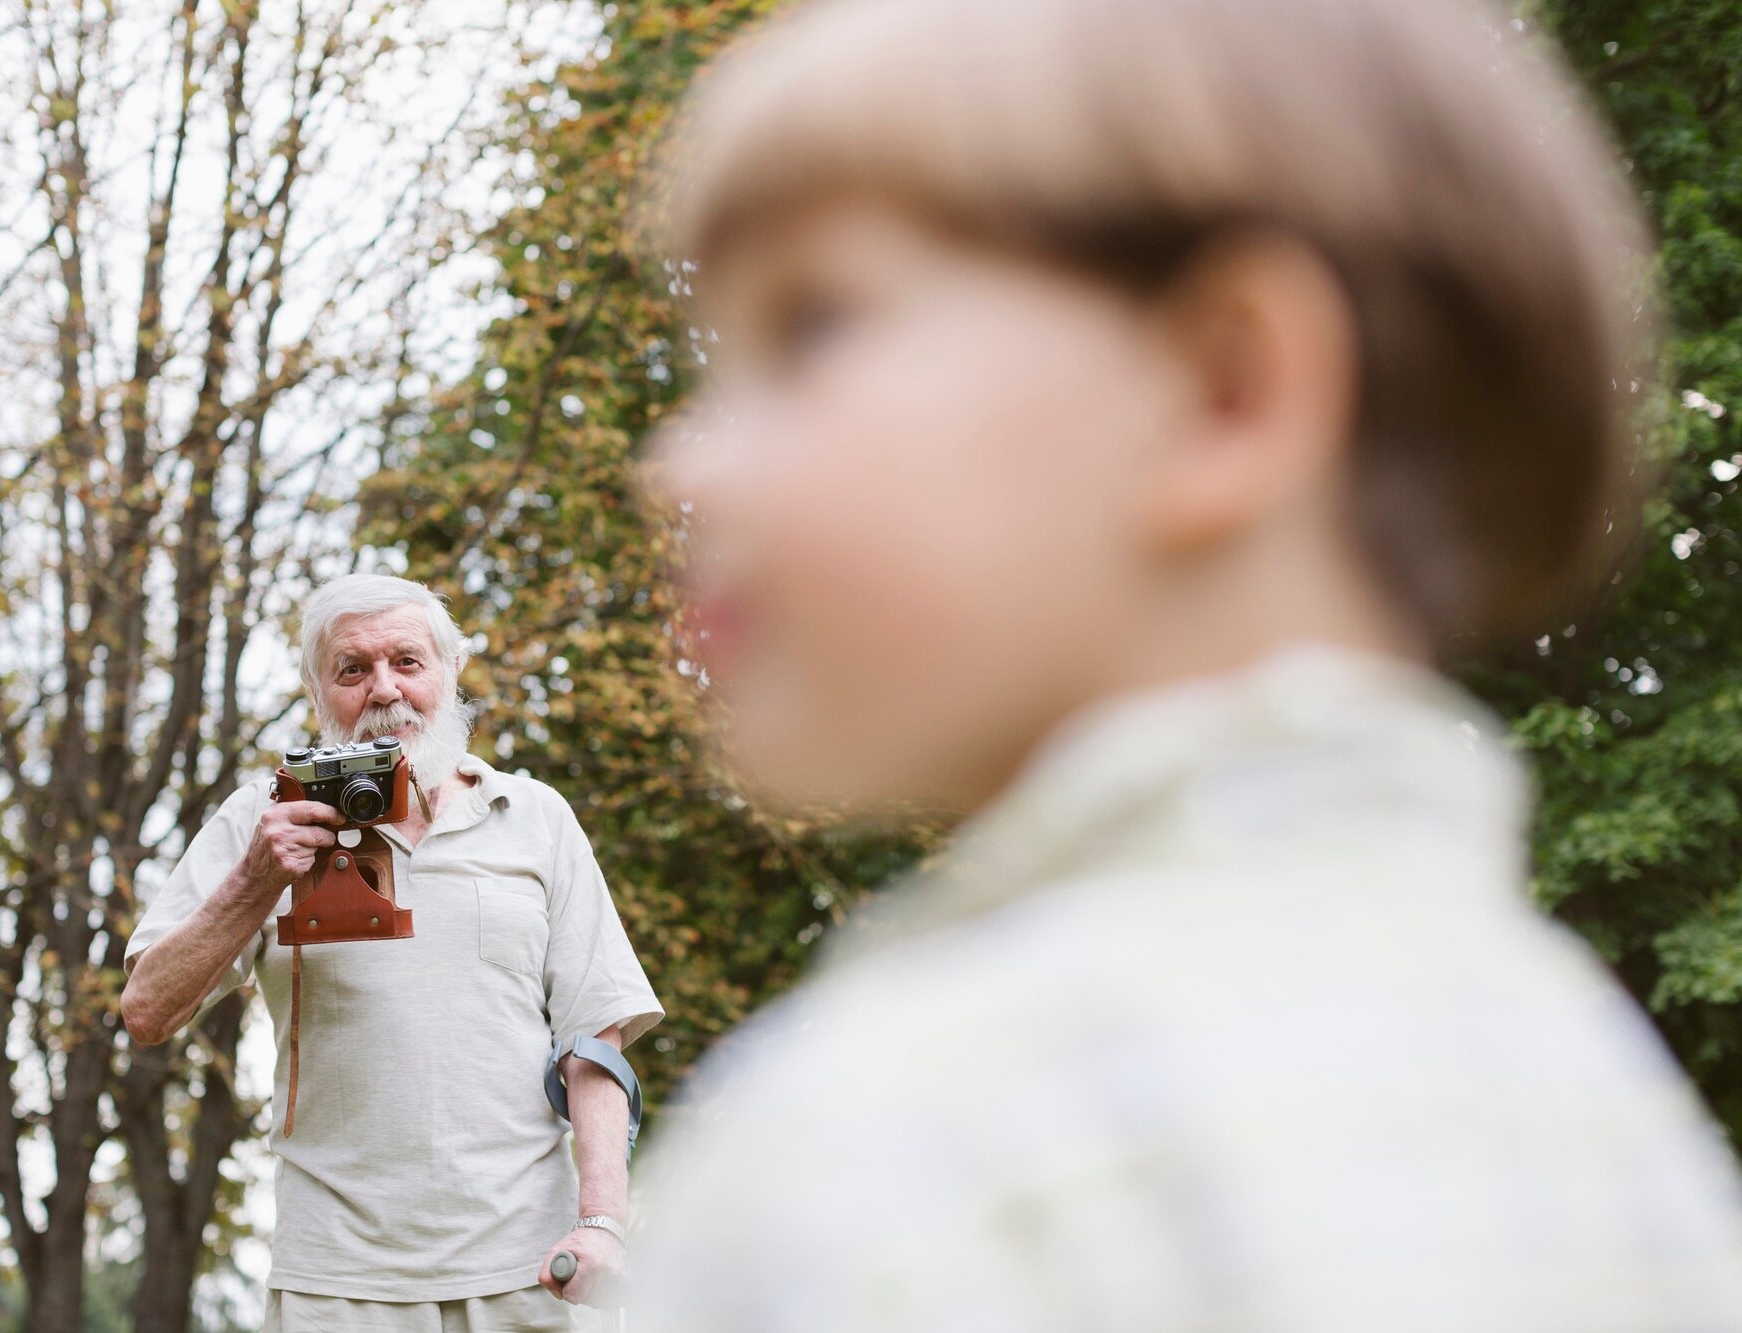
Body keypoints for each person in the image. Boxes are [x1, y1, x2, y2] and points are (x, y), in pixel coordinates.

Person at [629, 0, 1742, 1327]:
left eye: (810, 326)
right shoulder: (1598, 1111)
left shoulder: (875, 1139)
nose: (676, 463)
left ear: (1225, 390)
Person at [120, 574, 660, 1332]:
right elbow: (147, 1008)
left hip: (529, 1274)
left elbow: (592, 1039)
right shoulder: (265, 819)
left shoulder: (534, 817)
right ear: (318, 691)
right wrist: (256, 877)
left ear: (448, 674)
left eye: (407, 661)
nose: (385, 689)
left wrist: (603, 1221)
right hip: (337, 1285)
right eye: (353, 669)